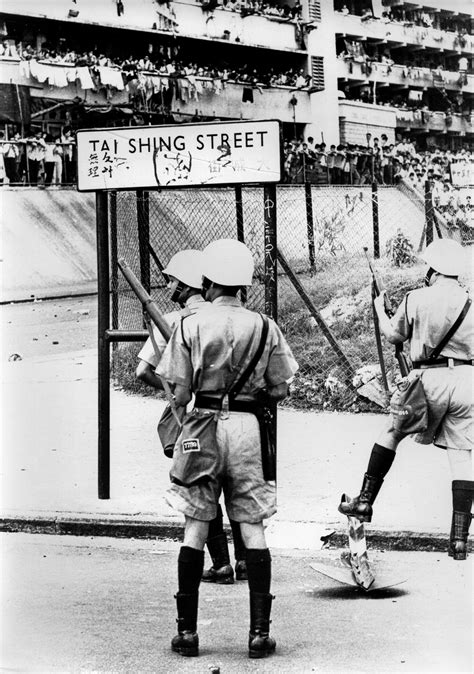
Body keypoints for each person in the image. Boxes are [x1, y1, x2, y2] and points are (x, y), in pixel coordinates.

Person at [156, 239, 298, 659]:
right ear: (244, 284)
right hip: (249, 428)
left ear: (207, 281)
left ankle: (187, 634)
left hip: (202, 425)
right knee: (252, 525)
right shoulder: (266, 326)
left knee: (195, 526)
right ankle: (258, 634)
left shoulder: (190, 324)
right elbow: (282, 387)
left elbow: (179, 392)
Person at [339, 239, 473, 560]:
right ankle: (458, 540)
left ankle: (364, 502)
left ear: (434, 270)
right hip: (467, 382)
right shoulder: (471, 303)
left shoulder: (417, 298)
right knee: (462, 455)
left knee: (392, 433)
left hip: (425, 381)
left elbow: (394, 336)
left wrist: (379, 310)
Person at [136, 249, 247, 585]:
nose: (168, 286)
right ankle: (244, 561)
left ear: (184, 285)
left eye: (171, 280)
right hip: (236, 415)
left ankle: (220, 563)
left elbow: (143, 371)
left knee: (202, 491)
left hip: (193, 418)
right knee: (234, 488)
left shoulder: (171, 322)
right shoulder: (233, 318)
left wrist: (172, 390)